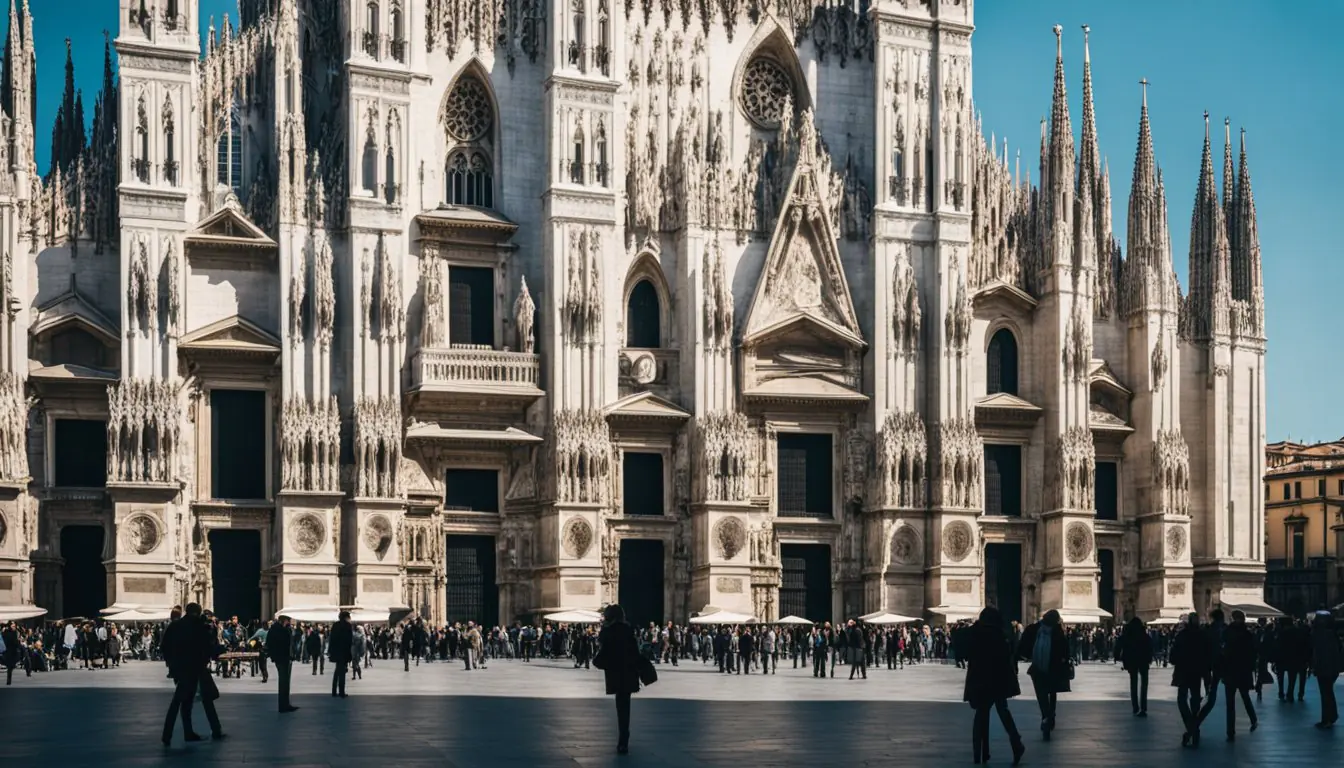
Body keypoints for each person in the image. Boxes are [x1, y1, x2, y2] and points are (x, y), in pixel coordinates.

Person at [963, 607, 1025, 765]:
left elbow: (964, 649)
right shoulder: (999, 634)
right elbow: (1006, 658)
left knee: (981, 714)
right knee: (1003, 711)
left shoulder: (975, 632)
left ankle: (979, 752)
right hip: (997, 681)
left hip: (980, 680)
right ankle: (1016, 742)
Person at [161, 603, 224, 746]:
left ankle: (170, 734)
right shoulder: (199, 627)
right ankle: (215, 730)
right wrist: (220, 649)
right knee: (205, 700)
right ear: (198, 612)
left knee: (180, 702)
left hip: (180, 670)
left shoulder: (174, 626)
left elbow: (164, 647)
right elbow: (207, 647)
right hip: (197, 669)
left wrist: (172, 666)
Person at [593, 603, 642, 755]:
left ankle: (623, 739)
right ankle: (624, 739)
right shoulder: (628, 630)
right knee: (624, 706)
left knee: (620, 705)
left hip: (615, 672)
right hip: (628, 672)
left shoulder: (607, 631)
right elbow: (635, 651)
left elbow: (602, 650)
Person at [1017, 609, 1070, 741]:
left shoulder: (1033, 628)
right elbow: (1065, 649)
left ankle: (1045, 715)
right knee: (1052, 692)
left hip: (1037, 667)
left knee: (1041, 694)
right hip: (1054, 668)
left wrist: (1024, 655)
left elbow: (1022, 644)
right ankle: (1050, 715)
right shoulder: (1058, 631)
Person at [1169, 612, 1211, 748]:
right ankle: (1194, 729)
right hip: (1196, 673)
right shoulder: (1203, 636)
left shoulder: (1182, 635)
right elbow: (1206, 657)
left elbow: (1173, 656)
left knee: (1181, 699)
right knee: (1195, 699)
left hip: (1183, 672)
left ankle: (1190, 727)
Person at [1221, 609, 1258, 740]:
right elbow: (1253, 653)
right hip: (1243, 671)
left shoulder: (1226, 633)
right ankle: (1253, 719)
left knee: (1230, 704)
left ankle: (1230, 732)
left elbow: (1223, 652)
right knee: (1245, 697)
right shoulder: (1248, 634)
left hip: (1230, 671)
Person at [1311, 610, 1341, 728]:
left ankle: (1327, 718)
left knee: (1326, 693)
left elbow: (1318, 652)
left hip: (1324, 667)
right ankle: (1330, 716)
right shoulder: (1332, 634)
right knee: (1328, 692)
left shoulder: (1319, 634)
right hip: (1332, 667)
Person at [1118, 616, 1152, 716]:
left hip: (1132, 661)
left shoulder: (1128, 635)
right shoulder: (1144, 635)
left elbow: (1120, 644)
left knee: (1133, 684)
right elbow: (1150, 646)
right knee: (1144, 684)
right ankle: (1143, 707)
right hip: (1144, 661)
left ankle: (1135, 707)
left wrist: (1120, 657)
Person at [266, 614, 299, 713]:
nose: (289, 623)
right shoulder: (277, 630)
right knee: (283, 682)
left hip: (285, 658)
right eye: (288, 620)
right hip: (281, 658)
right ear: (284, 620)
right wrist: (274, 656)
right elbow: (272, 644)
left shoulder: (283, 629)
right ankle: (283, 706)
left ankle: (286, 704)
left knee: (285, 682)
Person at [328, 610, 354, 698]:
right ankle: (341, 691)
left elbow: (331, 639)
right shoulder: (347, 626)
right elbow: (349, 641)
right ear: (346, 617)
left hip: (336, 651)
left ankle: (334, 690)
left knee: (337, 671)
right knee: (342, 671)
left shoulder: (335, 625)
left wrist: (330, 651)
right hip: (344, 651)